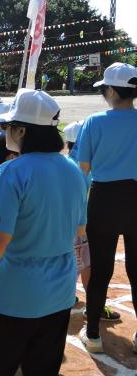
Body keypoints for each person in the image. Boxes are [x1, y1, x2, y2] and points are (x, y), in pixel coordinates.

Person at [0, 89, 88, 376]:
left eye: (8, 126)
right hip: (60, 295)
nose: (3, 131)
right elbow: (79, 231)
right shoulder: (74, 171)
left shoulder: (9, 173)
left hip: (13, 299)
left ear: (22, 130)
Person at [77, 62, 137, 353]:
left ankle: (93, 335)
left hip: (103, 199)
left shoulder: (94, 122)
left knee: (100, 269)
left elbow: (83, 170)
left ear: (112, 90)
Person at [64, 120, 121, 324]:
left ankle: (70, 298)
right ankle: (93, 306)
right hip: (84, 224)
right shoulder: (87, 167)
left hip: (66, 223)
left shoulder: (65, 164)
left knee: (71, 262)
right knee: (87, 265)